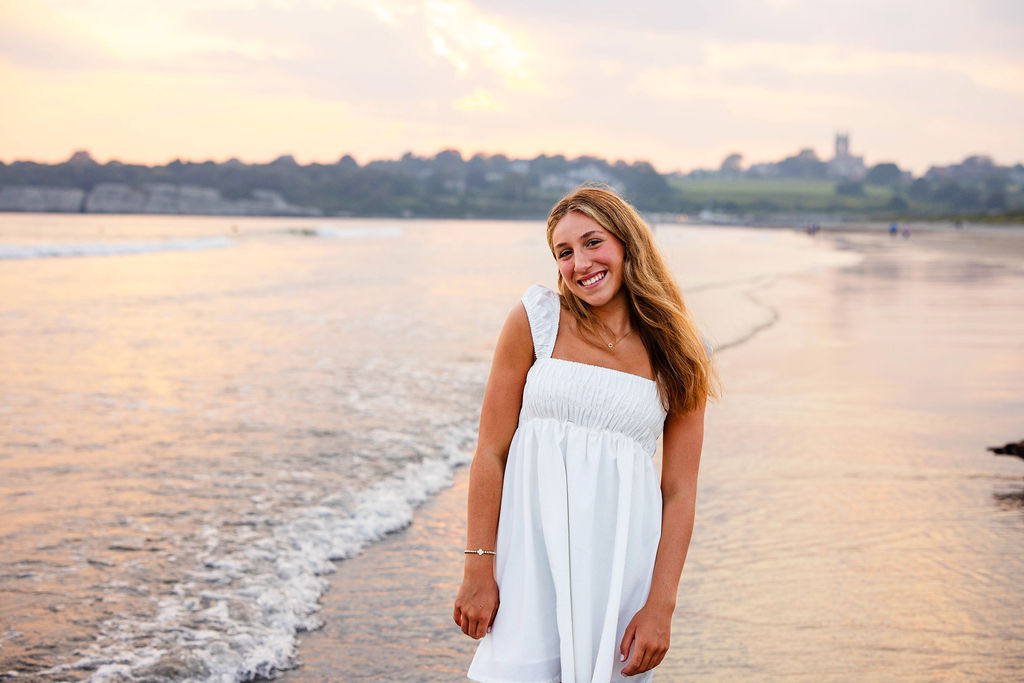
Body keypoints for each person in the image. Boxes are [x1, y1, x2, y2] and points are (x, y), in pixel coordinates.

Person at [453, 186, 716, 682]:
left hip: (618, 570)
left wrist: (661, 607)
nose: (580, 263)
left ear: (626, 243)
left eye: (593, 242)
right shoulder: (537, 320)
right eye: (564, 252)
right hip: (527, 565)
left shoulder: (680, 352)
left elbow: (679, 491)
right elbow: (491, 452)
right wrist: (477, 569)